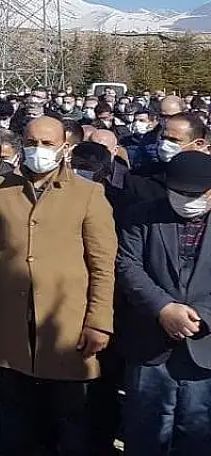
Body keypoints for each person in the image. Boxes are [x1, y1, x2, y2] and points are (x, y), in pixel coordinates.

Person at [0, 115, 117, 456]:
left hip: (65, 323)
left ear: (64, 147)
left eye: (47, 143)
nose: (38, 150)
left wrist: (99, 321)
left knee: (69, 418)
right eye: (32, 143)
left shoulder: (88, 194)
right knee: (14, 416)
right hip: (11, 319)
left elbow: (102, 265)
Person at [116, 151, 211, 454]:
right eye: (179, 193)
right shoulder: (141, 215)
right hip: (150, 343)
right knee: (145, 431)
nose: (187, 200)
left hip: (204, 344)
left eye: (195, 195)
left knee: (197, 433)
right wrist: (163, 308)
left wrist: (201, 315)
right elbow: (128, 265)